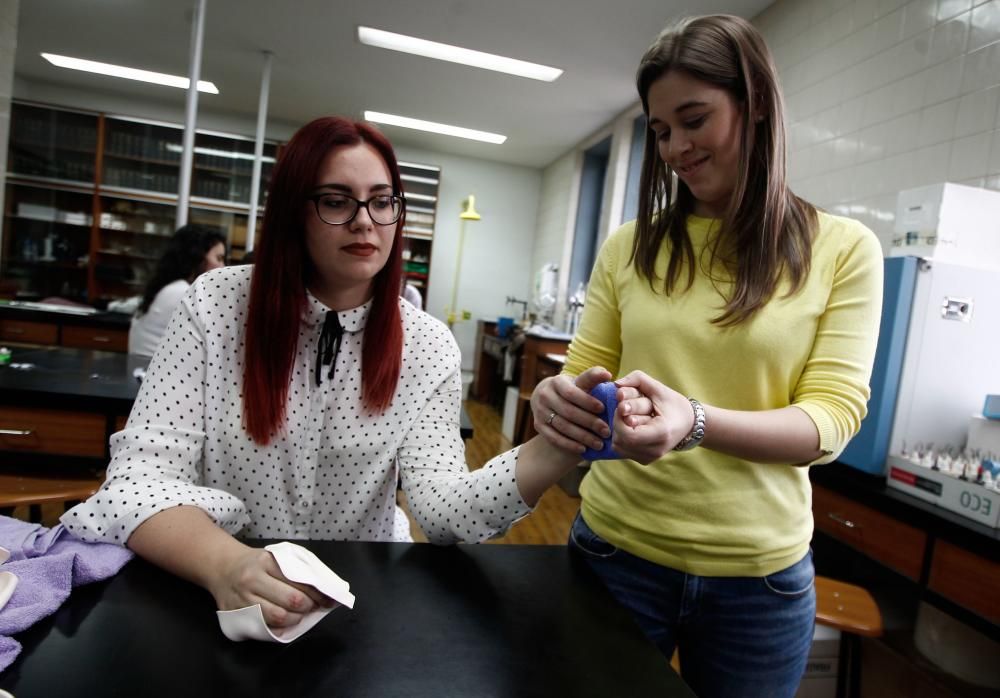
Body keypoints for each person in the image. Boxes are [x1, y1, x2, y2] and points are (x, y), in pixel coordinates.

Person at [64, 116, 604, 631]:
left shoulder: (426, 344)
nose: (364, 220)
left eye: (381, 201)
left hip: (359, 597)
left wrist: (554, 448)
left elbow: (442, 511)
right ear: (292, 212)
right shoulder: (215, 305)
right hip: (212, 584)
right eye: (336, 201)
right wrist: (226, 565)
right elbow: (137, 482)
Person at [529, 15, 883, 698]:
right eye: (661, 131)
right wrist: (559, 398)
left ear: (753, 108)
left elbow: (831, 421)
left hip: (760, 581)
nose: (675, 148)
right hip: (616, 554)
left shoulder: (841, 250)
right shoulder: (630, 246)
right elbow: (583, 368)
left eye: (694, 120)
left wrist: (694, 421)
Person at [127, 224, 227, 356]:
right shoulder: (183, 293)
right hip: (158, 373)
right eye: (218, 258)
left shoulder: (169, 288)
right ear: (197, 257)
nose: (223, 267)